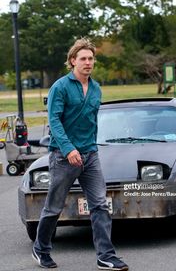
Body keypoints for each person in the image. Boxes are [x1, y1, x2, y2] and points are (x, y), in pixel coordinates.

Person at [32, 38, 129, 271]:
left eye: (91, 59)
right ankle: (41, 248)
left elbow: (91, 121)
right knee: (54, 207)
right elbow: (54, 121)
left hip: (90, 155)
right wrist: (69, 149)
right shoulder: (60, 87)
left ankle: (106, 256)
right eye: (83, 59)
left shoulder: (96, 88)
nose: (88, 63)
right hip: (63, 157)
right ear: (73, 61)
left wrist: (91, 148)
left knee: (100, 205)